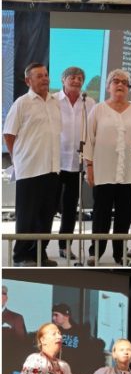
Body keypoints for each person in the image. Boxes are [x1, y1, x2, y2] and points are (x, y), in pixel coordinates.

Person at [85, 69, 131, 267]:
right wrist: (89, 166)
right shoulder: (97, 109)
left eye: (124, 82)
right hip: (103, 170)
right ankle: (95, 253)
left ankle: (119, 253)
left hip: (128, 173)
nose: (120, 85)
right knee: (101, 214)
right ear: (108, 86)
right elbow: (89, 139)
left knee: (124, 216)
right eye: (116, 81)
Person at [3, 63, 61, 266]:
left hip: (53, 167)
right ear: (28, 80)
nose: (45, 78)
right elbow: (9, 134)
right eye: (39, 76)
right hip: (30, 169)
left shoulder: (55, 102)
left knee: (46, 215)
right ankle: (21, 256)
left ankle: (40, 254)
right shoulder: (22, 103)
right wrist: (19, 157)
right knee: (27, 215)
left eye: (46, 74)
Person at [53, 66, 95, 262]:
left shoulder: (89, 103)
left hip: (76, 163)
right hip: (54, 162)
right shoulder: (52, 101)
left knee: (70, 208)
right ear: (63, 80)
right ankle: (40, 247)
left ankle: (65, 246)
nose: (76, 81)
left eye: (80, 78)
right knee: (49, 206)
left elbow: (93, 132)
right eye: (72, 77)